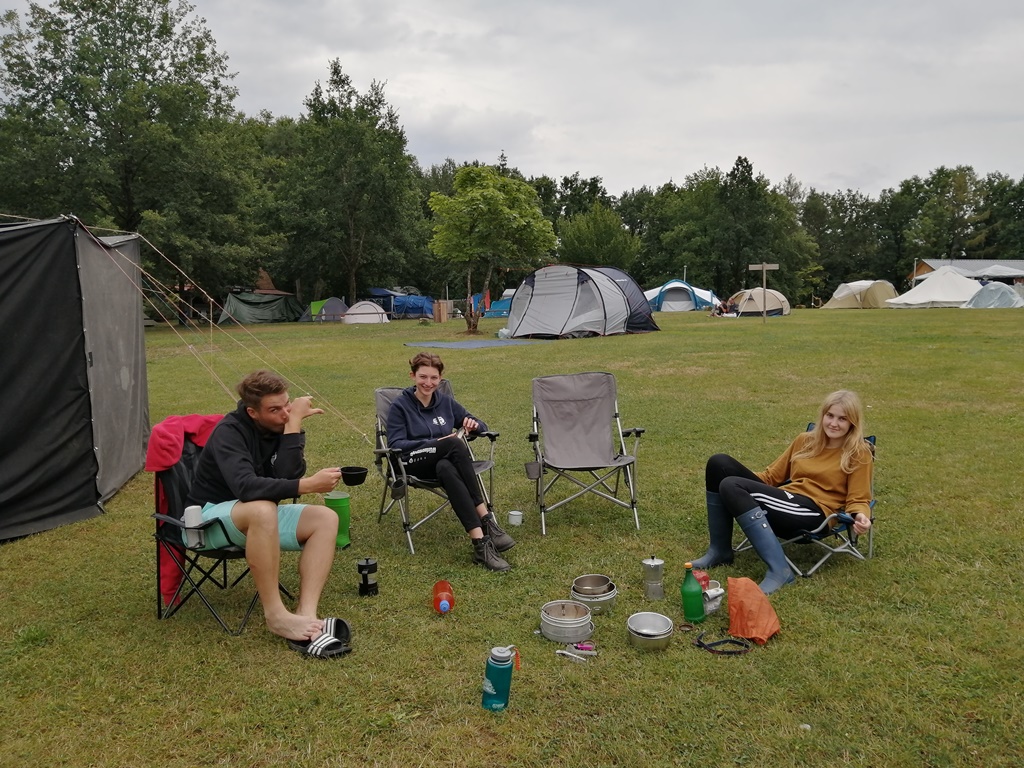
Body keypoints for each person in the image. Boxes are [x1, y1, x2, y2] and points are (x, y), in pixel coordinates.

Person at [187, 370, 350, 658]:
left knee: (326, 518)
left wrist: (294, 425)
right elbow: (246, 487)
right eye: (275, 410)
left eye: (287, 405)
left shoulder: (280, 425)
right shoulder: (229, 432)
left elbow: (288, 473)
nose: (284, 414)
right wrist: (308, 485)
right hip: (208, 521)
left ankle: (306, 614)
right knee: (262, 509)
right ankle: (275, 614)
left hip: (258, 517)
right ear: (252, 412)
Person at [690, 390, 873, 594]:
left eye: (842, 419)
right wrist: (742, 478)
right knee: (719, 463)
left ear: (852, 423)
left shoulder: (858, 452)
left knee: (731, 485)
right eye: (830, 415)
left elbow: (859, 497)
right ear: (823, 415)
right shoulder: (805, 440)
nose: (833, 423)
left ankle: (780, 571)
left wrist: (861, 516)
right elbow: (771, 477)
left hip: (814, 513)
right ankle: (720, 551)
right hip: (787, 500)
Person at [386, 352, 515, 571]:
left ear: (440, 378)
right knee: (453, 443)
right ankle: (486, 519)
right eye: (423, 377)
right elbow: (396, 444)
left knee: (446, 466)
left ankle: (480, 543)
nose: (428, 383)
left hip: (440, 463)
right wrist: (434, 443)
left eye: (434, 378)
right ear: (412, 376)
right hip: (410, 462)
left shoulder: (445, 402)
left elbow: (480, 424)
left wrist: (474, 425)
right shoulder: (400, 406)